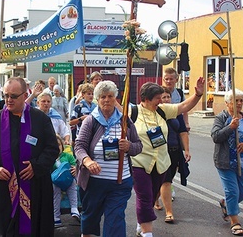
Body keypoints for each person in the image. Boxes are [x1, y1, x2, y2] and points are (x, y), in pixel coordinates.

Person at [0, 77, 59, 237]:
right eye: (6, 95)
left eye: (13, 96)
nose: (9, 100)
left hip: (35, 188)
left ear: (25, 94)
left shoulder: (40, 119)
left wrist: (36, 166)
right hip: (4, 189)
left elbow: (52, 148)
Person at [132, 79, 204, 237]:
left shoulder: (162, 110)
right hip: (139, 162)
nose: (161, 100)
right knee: (144, 195)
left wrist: (198, 94)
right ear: (146, 98)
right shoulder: (133, 112)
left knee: (151, 196)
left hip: (161, 163)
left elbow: (184, 106)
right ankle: (147, 232)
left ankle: (141, 222)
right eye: (157, 98)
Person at [74, 81, 143, 237]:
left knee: (115, 220)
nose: (107, 100)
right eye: (103, 97)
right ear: (98, 99)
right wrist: (87, 161)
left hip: (120, 182)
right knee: (90, 218)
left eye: (110, 96)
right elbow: (79, 147)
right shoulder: (91, 120)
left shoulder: (125, 121)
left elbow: (139, 146)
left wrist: (129, 146)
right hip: (94, 182)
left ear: (115, 98)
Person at [154, 87, 191, 223]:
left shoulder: (177, 113)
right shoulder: (156, 113)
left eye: (167, 97)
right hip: (162, 151)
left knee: (167, 179)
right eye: (162, 97)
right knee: (166, 181)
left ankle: (155, 198)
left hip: (175, 151)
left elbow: (183, 132)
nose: (166, 99)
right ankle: (169, 212)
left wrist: (186, 150)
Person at [211, 89, 243, 236]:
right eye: (236, 100)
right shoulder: (221, 118)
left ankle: (225, 203)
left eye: (241, 100)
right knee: (232, 191)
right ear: (227, 103)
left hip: (241, 162)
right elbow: (216, 137)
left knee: (240, 192)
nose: (239, 103)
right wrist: (230, 127)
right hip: (225, 161)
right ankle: (234, 222)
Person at [52, 134, 79, 227]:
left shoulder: (67, 156)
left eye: (59, 145)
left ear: (62, 146)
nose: (57, 147)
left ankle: (74, 209)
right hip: (56, 182)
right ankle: (56, 216)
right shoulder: (50, 158)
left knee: (73, 185)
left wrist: (75, 169)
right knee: (55, 192)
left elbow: (74, 165)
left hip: (68, 180)